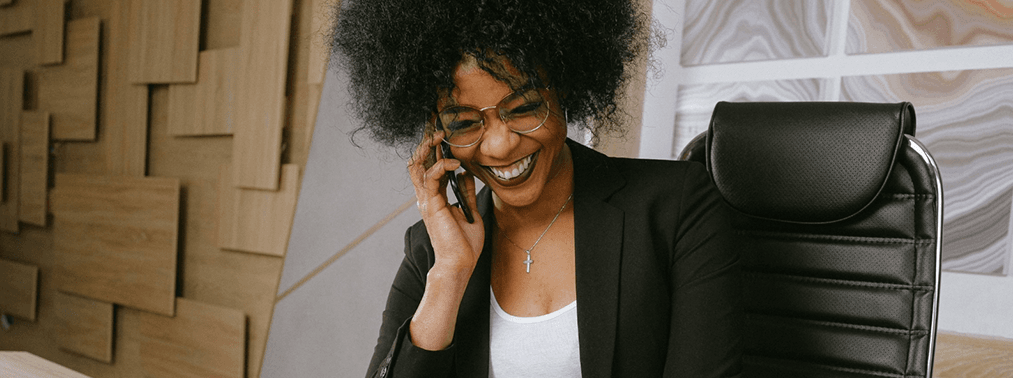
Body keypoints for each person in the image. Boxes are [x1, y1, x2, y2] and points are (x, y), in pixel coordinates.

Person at [330, 0, 742, 376]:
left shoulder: (677, 207)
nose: (500, 144)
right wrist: (450, 274)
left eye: (525, 107)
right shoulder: (433, 249)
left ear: (564, 91)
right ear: (438, 133)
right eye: (465, 122)